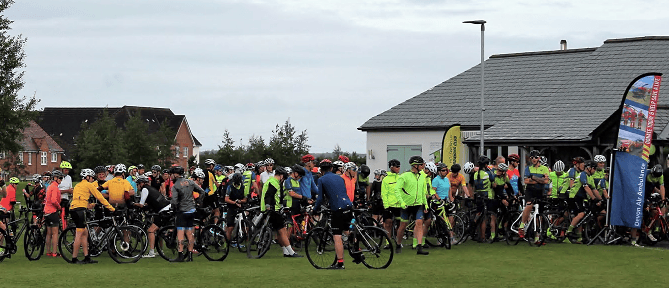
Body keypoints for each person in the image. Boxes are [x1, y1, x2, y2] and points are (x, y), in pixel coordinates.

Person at [314, 159, 354, 269]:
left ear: (321, 170)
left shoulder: (321, 179)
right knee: (347, 230)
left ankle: (340, 263)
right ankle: (357, 249)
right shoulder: (340, 178)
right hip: (348, 206)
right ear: (332, 168)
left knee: (337, 236)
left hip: (337, 209)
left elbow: (320, 198)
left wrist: (315, 210)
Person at [69, 169, 116, 264]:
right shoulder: (89, 185)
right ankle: (74, 258)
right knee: (79, 234)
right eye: (91, 177)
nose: (92, 179)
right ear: (87, 177)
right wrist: (112, 209)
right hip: (80, 210)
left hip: (73, 209)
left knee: (85, 233)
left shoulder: (77, 185)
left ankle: (87, 257)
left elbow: (79, 199)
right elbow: (100, 197)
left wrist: (92, 205)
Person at [261, 166, 302, 258]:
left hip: (269, 209)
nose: (283, 180)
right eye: (283, 178)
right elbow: (269, 195)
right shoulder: (274, 183)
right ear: (281, 176)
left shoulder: (270, 180)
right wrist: (269, 206)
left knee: (280, 232)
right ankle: (291, 252)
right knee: (282, 231)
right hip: (273, 210)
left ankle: (285, 251)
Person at [394, 156, 429, 255]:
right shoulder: (405, 176)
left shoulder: (422, 176)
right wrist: (402, 202)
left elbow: (423, 192)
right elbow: (397, 189)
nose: (424, 166)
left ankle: (419, 247)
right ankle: (398, 244)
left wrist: (425, 204)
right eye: (422, 164)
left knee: (419, 223)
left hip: (418, 204)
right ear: (415, 165)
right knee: (403, 226)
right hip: (406, 205)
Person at [170, 166, 205, 262]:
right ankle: (190, 255)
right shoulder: (190, 182)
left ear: (176, 174)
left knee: (180, 233)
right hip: (191, 210)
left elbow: (174, 201)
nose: (171, 176)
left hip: (182, 212)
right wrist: (198, 202)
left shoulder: (176, 185)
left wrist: (173, 209)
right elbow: (202, 192)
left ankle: (180, 255)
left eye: (172, 174)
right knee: (190, 233)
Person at [133, 175, 171, 258]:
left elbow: (141, 205)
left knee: (150, 230)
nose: (137, 186)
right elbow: (150, 203)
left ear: (141, 184)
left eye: (137, 184)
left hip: (163, 210)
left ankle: (151, 252)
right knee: (159, 231)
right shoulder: (151, 188)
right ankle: (160, 251)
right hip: (167, 208)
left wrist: (132, 204)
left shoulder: (144, 189)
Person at [565, 160, 601, 244]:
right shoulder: (583, 175)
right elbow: (586, 188)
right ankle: (568, 232)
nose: (595, 171)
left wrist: (600, 199)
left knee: (583, 218)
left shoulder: (590, 177)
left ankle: (579, 237)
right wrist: (593, 198)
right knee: (581, 214)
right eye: (594, 169)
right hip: (574, 196)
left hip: (581, 198)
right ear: (589, 168)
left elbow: (594, 189)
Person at [520, 150, 550, 241]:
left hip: (540, 192)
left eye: (536, 157)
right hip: (530, 191)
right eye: (532, 157)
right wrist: (539, 180)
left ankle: (537, 237)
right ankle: (522, 225)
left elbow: (546, 181)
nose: (534, 159)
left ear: (539, 158)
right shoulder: (528, 168)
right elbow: (526, 181)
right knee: (529, 205)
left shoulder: (544, 168)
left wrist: (533, 178)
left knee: (539, 215)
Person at [473, 156, 496, 243]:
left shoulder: (475, 174)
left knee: (480, 215)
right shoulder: (488, 174)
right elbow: (494, 185)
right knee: (485, 218)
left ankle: (479, 235)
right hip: (487, 196)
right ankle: (483, 237)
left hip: (478, 196)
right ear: (486, 165)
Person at [381, 159, 402, 249]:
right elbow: (384, 193)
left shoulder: (401, 178)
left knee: (400, 225)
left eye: (399, 166)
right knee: (388, 224)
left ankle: (398, 242)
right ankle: (388, 242)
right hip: (389, 205)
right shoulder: (386, 179)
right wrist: (386, 206)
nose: (398, 168)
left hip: (400, 205)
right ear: (391, 167)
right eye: (396, 166)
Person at [224, 173, 247, 246]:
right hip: (231, 207)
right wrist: (234, 203)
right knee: (230, 227)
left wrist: (240, 201)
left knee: (245, 226)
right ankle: (226, 243)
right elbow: (226, 199)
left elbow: (245, 199)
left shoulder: (243, 187)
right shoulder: (230, 187)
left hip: (240, 207)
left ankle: (246, 242)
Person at [43, 171, 63, 257]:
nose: (61, 180)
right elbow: (54, 200)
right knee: (55, 233)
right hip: (53, 211)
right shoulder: (55, 187)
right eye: (60, 178)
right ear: (56, 178)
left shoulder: (50, 186)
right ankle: (54, 252)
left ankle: (48, 251)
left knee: (48, 233)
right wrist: (59, 207)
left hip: (46, 211)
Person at [59, 161, 74, 229]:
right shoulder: (58, 178)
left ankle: (65, 228)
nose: (67, 171)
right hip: (59, 200)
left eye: (68, 170)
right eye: (65, 170)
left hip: (66, 199)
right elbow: (56, 191)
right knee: (61, 216)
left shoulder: (69, 178)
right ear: (62, 170)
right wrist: (67, 191)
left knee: (66, 216)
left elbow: (70, 189)